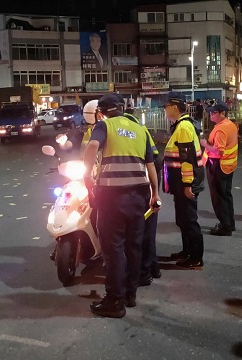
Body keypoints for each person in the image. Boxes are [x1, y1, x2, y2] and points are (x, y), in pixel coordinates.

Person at [83, 93, 161, 318]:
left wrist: (87, 175)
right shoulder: (140, 130)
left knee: (113, 248)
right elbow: (151, 165)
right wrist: (154, 193)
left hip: (112, 197)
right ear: (122, 108)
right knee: (133, 247)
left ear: (101, 111)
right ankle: (130, 294)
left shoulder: (104, 126)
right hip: (139, 196)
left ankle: (115, 300)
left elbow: (92, 147)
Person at [163, 91, 206, 268]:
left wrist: (188, 184)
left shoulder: (184, 128)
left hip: (185, 182)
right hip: (181, 182)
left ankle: (195, 257)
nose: (165, 111)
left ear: (174, 107)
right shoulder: (181, 126)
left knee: (189, 219)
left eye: (166, 107)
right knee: (182, 219)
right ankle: (187, 251)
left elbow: (187, 158)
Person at [122, 104, 162, 285]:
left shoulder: (120, 132)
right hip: (148, 182)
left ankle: (144, 272)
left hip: (141, 185)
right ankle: (152, 267)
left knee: (140, 233)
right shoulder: (141, 129)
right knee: (148, 230)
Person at [200, 103, 238, 236]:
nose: (211, 114)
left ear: (222, 113)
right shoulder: (230, 125)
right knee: (226, 195)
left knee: (218, 197)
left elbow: (218, 150)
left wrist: (205, 144)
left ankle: (224, 226)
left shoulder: (221, 129)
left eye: (214, 113)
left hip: (218, 165)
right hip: (228, 166)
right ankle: (230, 223)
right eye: (210, 112)